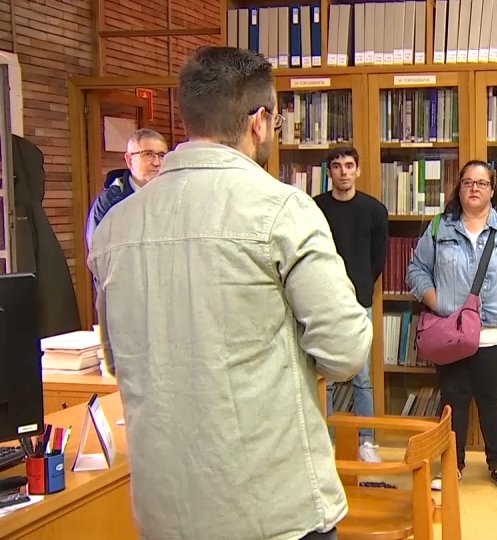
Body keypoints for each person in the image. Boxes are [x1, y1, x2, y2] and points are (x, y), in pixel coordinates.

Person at [87, 46, 371, 540]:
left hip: (165, 510)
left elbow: (116, 359)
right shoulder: (284, 209)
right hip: (270, 507)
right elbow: (345, 351)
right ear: (259, 121)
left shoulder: (114, 226)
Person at [406, 160, 497, 494]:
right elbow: (416, 270)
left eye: (481, 183)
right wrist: (437, 301)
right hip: (452, 333)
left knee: (493, 400)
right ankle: (452, 465)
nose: (474, 189)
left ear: (492, 190)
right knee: (453, 399)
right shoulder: (441, 227)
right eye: (468, 182)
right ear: (459, 188)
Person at [314, 146, 388, 463]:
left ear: (358, 170)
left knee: (362, 376)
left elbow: (377, 259)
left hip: (359, 303)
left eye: (349, 165)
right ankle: (327, 441)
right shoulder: (314, 208)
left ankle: (367, 441)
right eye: (336, 166)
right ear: (329, 172)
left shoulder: (374, 211)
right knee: (326, 377)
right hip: (322, 303)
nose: (343, 172)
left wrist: (360, 287)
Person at [85, 128, 169, 249]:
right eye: (148, 154)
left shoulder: (173, 195)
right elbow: (97, 253)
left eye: (162, 155)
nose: (157, 162)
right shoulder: (110, 202)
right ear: (129, 160)